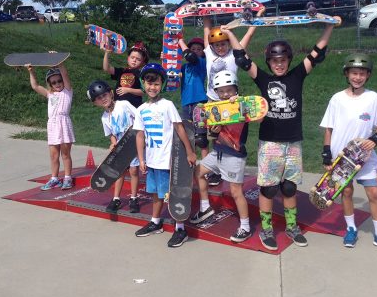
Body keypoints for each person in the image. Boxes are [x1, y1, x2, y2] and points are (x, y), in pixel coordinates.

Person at [231, 18, 339, 251]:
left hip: (293, 142)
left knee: (289, 187)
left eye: (283, 60)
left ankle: (291, 227)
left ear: (288, 60)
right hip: (270, 142)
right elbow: (241, 57)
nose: (279, 64)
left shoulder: (297, 75)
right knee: (269, 188)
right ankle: (267, 229)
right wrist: (230, 32)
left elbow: (316, 52)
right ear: (269, 62)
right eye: (274, 61)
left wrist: (329, 26)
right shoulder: (263, 78)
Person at [320, 53, 377, 252]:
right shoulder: (337, 99)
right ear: (347, 74)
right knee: (346, 191)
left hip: (364, 156)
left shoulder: (373, 98)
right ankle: (351, 228)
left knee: (374, 192)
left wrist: (374, 140)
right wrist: (326, 154)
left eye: (362, 74)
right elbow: (328, 128)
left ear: (368, 76)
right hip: (341, 156)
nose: (357, 77)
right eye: (354, 73)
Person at [132, 63, 197, 248]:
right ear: (143, 84)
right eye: (149, 83)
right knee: (155, 194)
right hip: (151, 161)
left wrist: (190, 151)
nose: (152, 87)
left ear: (162, 84)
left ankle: (180, 228)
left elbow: (179, 128)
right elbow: (139, 135)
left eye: (156, 83)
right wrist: (142, 159)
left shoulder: (167, 105)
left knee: (173, 195)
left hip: (167, 161)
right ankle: (156, 222)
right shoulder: (141, 109)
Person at [201, 7, 264, 185]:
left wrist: (258, 17)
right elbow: (207, 31)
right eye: (217, 45)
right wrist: (205, 13)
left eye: (223, 44)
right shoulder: (209, 53)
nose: (220, 47)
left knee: (233, 135)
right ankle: (215, 168)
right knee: (213, 136)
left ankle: (233, 164)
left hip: (231, 100)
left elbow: (248, 37)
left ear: (229, 43)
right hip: (213, 100)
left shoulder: (234, 55)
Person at [190, 70, 253, 243]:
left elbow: (254, 115)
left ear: (235, 90)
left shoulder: (242, 104)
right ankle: (205, 208)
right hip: (217, 152)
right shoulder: (214, 108)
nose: (226, 94)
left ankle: (245, 227)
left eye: (229, 90)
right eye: (222, 91)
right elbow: (213, 130)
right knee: (198, 172)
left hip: (234, 155)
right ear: (216, 92)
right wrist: (214, 130)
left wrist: (239, 102)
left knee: (235, 191)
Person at [87, 79, 141, 213]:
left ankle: (134, 198)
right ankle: (116, 199)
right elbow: (111, 134)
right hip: (120, 147)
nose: (103, 99)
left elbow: (139, 117)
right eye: (99, 98)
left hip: (133, 142)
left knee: (134, 171)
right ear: (95, 103)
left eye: (104, 95)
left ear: (111, 93)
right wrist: (113, 143)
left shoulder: (124, 104)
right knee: (119, 172)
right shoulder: (104, 117)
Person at [26, 61, 75, 190]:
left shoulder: (67, 91)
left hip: (63, 123)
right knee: (53, 155)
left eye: (59, 81)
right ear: (50, 84)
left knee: (65, 154)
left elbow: (64, 73)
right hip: (52, 125)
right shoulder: (50, 94)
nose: (57, 84)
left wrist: (59, 62)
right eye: (54, 82)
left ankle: (67, 178)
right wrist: (31, 71)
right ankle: (54, 179)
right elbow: (35, 86)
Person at [179, 36, 209, 159]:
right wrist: (165, 59)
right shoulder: (184, 67)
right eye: (193, 48)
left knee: (201, 138)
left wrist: (180, 41)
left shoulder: (202, 62)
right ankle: (190, 162)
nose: (195, 51)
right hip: (186, 103)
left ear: (202, 52)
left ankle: (206, 165)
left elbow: (190, 56)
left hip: (199, 102)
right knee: (188, 136)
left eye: (198, 49)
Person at [102, 41, 149, 108]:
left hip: (133, 107)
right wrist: (106, 53)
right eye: (132, 57)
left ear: (143, 62)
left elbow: (144, 91)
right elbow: (106, 68)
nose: (134, 60)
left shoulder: (141, 74)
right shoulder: (122, 71)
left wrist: (128, 90)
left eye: (138, 59)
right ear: (128, 58)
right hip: (117, 106)